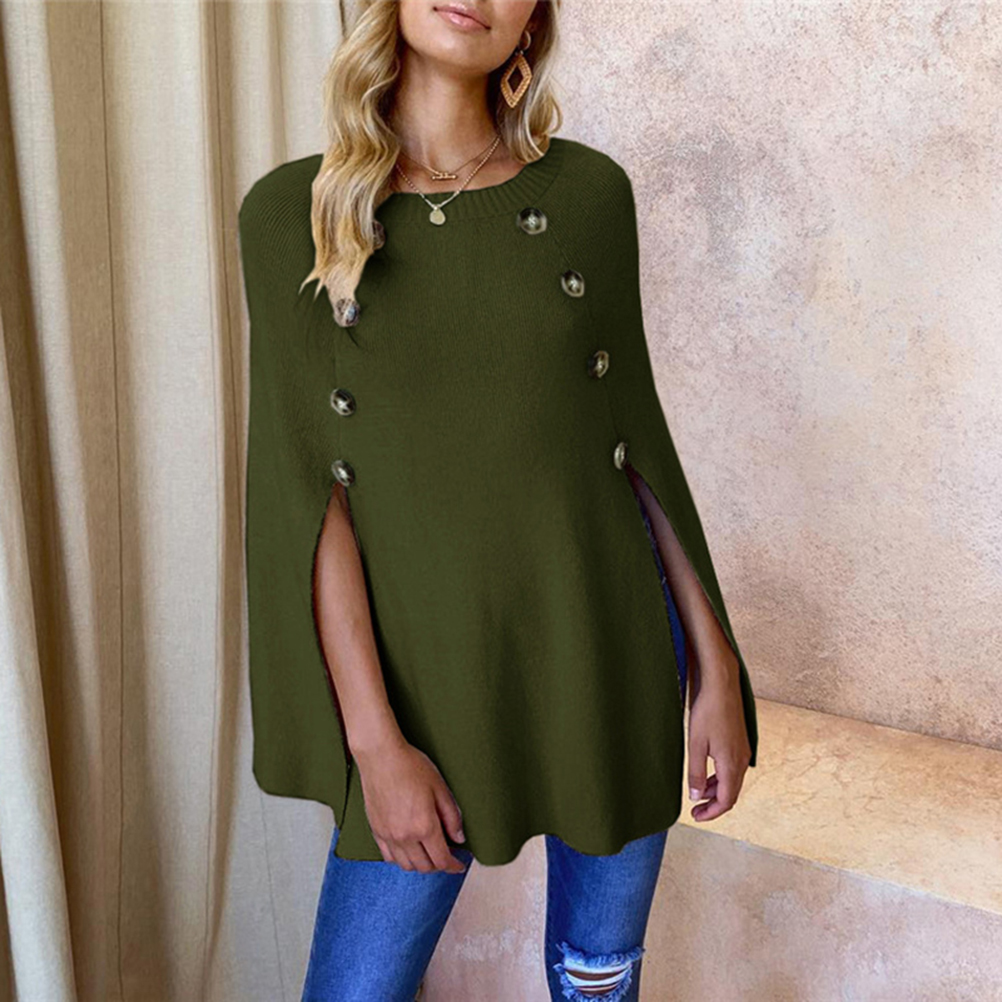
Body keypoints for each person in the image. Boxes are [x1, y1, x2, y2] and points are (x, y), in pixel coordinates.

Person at [236, 1, 760, 999]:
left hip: (604, 655)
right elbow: (311, 502)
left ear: (533, 23)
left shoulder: (589, 195)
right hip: (423, 685)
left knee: (596, 981)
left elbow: (634, 443)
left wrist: (718, 668)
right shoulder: (293, 214)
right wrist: (374, 744)